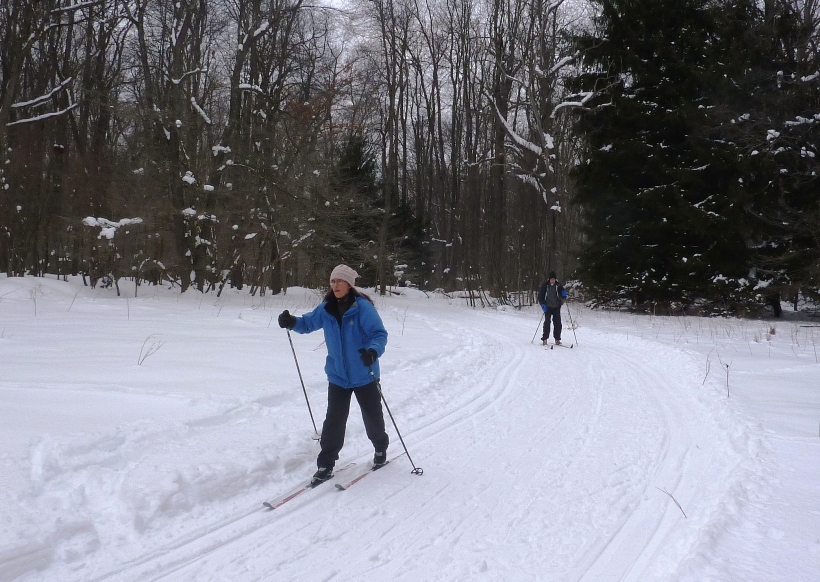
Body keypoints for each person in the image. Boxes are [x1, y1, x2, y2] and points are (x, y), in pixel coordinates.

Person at [278, 264, 389, 485]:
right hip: (338, 376)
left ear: (349, 284)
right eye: (333, 281)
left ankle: (380, 449)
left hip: (364, 373)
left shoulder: (363, 308)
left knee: (372, 416)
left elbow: (378, 334)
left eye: (340, 281)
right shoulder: (326, 308)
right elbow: (307, 323)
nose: (336, 285)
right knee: (333, 422)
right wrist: (292, 322)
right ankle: (325, 464)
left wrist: (373, 351)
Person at [537, 271, 567, 346]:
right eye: (551, 279)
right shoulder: (545, 285)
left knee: (558, 324)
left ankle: (557, 339)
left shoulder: (558, 285)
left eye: (553, 279)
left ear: (555, 279)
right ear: (549, 279)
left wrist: (564, 294)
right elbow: (540, 296)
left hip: (556, 306)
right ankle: (544, 339)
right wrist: (543, 304)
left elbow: (562, 294)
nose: (552, 280)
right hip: (548, 307)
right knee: (547, 323)